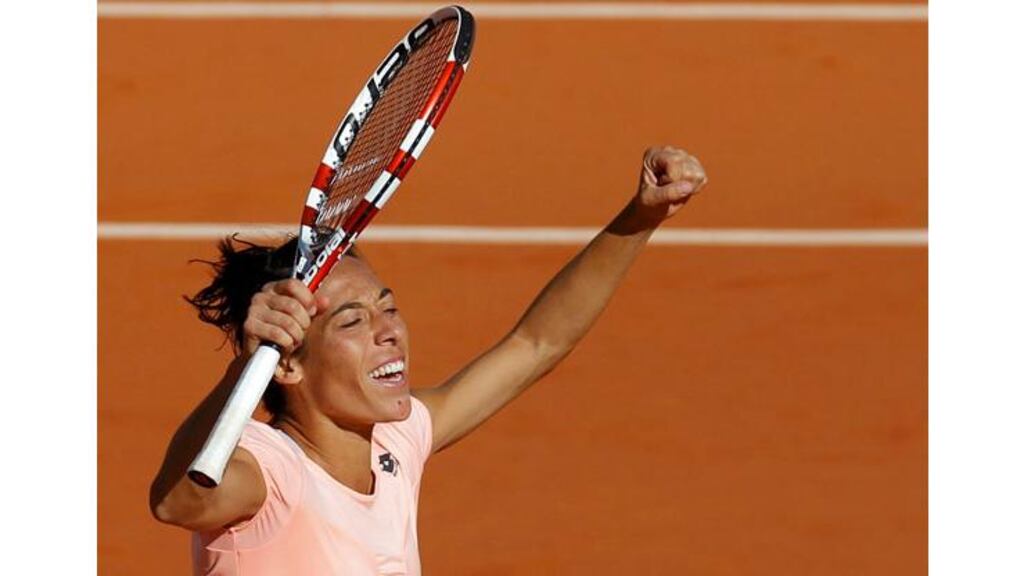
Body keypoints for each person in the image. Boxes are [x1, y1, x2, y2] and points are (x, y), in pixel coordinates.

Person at [150, 146, 708, 575]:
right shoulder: (271, 471)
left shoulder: (395, 441)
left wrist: (640, 218)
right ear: (288, 365)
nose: (389, 332)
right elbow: (177, 501)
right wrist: (245, 369)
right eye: (352, 321)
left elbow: (537, 344)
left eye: (388, 308)